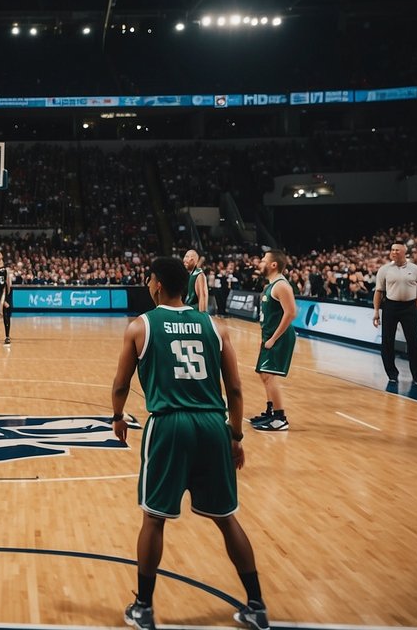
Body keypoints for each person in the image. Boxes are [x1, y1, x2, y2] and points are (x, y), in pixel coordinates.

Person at [110, 256, 269, 630]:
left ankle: (144, 608)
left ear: (159, 285)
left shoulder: (141, 326)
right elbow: (234, 388)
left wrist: (117, 416)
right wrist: (235, 434)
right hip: (213, 425)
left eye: (150, 280)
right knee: (227, 519)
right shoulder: (215, 327)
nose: (149, 285)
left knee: (154, 519)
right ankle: (257, 604)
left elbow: (121, 384)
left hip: (169, 425)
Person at [251, 251, 297, 432]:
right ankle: (271, 412)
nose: (259, 262)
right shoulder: (270, 285)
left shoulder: (281, 286)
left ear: (273, 265)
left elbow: (291, 313)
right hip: (269, 336)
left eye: (263, 260)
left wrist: (273, 338)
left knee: (269, 376)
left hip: (280, 337)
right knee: (264, 374)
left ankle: (280, 418)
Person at [373, 243, 417, 386]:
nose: (394, 252)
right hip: (390, 306)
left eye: (397, 250)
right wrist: (376, 312)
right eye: (392, 250)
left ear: (404, 252)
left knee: (413, 342)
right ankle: (392, 373)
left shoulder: (415, 269)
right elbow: (378, 291)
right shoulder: (384, 269)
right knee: (387, 341)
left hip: (410, 307)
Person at [183, 249, 209, 313]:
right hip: (188, 310)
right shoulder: (192, 274)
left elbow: (203, 296)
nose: (184, 259)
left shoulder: (199, 275)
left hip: (194, 313)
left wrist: (202, 316)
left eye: (187, 256)